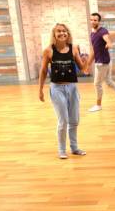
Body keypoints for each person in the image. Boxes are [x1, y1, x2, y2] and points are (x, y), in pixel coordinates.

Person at [38, 23, 89, 159]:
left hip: (72, 88)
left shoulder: (73, 49)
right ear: (54, 34)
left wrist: (87, 60)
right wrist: (40, 90)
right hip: (57, 88)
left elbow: (83, 68)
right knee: (63, 121)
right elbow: (43, 71)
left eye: (64, 31)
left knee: (74, 120)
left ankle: (74, 147)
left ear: (68, 33)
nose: (62, 33)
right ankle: (61, 150)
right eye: (59, 31)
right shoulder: (48, 50)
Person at [86, 12, 115, 112]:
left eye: (95, 20)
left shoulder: (102, 31)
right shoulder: (92, 33)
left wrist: (109, 44)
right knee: (109, 81)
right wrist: (88, 64)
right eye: (91, 20)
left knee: (97, 84)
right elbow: (93, 50)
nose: (93, 21)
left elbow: (108, 40)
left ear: (99, 21)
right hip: (105, 61)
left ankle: (98, 105)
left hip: (102, 63)